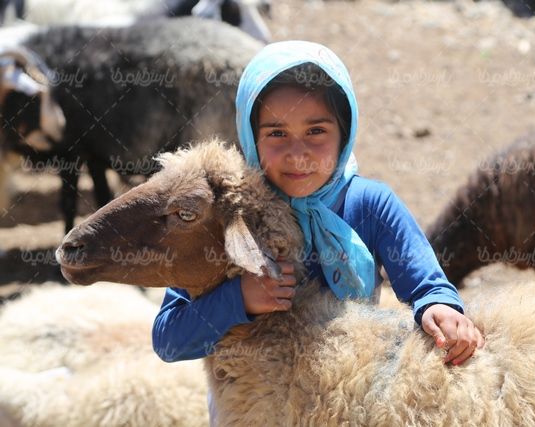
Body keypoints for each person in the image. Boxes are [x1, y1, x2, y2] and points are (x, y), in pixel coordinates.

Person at [153, 40, 484, 419]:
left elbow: (426, 284)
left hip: (346, 398)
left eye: (316, 131)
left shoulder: (370, 205)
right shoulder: (229, 215)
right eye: (277, 133)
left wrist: (439, 308)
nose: (297, 153)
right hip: (256, 408)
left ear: (345, 132)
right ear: (250, 136)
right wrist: (239, 299)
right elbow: (168, 339)